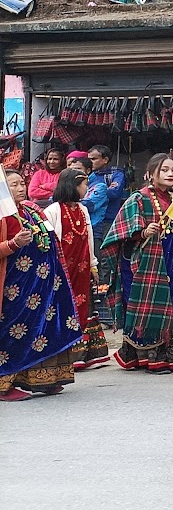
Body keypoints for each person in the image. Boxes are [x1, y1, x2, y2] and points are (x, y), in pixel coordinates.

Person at [103, 153, 173, 373]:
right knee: (149, 305)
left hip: (172, 255)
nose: (171, 174)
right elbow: (119, 231)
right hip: (146, 261)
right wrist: (142, 231)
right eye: (164, 170)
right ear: (151, 174)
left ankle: (172, 354)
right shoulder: (138, 198)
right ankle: (148, 356)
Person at [0, 169, 83, 400]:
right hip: (14, 290)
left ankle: (43, 379)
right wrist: (13, 244)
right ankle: (4, 384)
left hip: (44, 287)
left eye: (22, 183)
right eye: (13, 184)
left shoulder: (32, 210)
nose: (20, 188)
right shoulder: (1, 214)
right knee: (15, 334)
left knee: (43, 332)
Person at [45, 168, 110, 371]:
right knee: (64, 307)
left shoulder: (82, 210)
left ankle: (84, 355)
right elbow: (49, 243)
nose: (86, 189)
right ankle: (66, 354)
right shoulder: (53, 210)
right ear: (73, 186)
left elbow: (89, 239)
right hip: (62, 270)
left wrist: (92, 265)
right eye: (84, 185)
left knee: (84, 307)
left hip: (81, 269)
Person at [83, 144, 127, 313]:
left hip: (110, 221)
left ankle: (106, 307)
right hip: (94, 222)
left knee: (107, 262)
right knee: (95, 261)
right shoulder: (92, 175)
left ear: (105, 159)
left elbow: (114, 193)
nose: (91, 162)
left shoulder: (116, 173)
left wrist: (98, 193)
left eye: (94, 159)